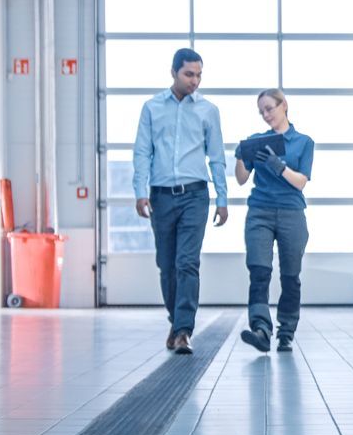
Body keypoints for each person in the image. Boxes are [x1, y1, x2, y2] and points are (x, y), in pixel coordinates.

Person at [132, 48, 228, 355]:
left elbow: (217, 157)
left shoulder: (208, 111)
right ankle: (176, 321)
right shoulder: (151, 108)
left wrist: (222, 198)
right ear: (173, 72)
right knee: (167, 265)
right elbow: (142, 152)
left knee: (188, 263)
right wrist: (140, 191)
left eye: (199, 75)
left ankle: (185, 330)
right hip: (161, 195)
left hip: (196, 195)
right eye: (189, 74)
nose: (195, 81)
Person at [234, 88, 313, 353]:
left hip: (292, 213)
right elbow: (242, 178)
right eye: (261, 111)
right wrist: (243, 156)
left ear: (284, 105)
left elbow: (301, 182)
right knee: (259, 272)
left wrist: (278, 165)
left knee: (290, 276)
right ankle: (261, 330)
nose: (266, 114)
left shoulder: (303, 142)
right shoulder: (257, 140)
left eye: (269, 108)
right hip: (260, 211)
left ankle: (286, 332)